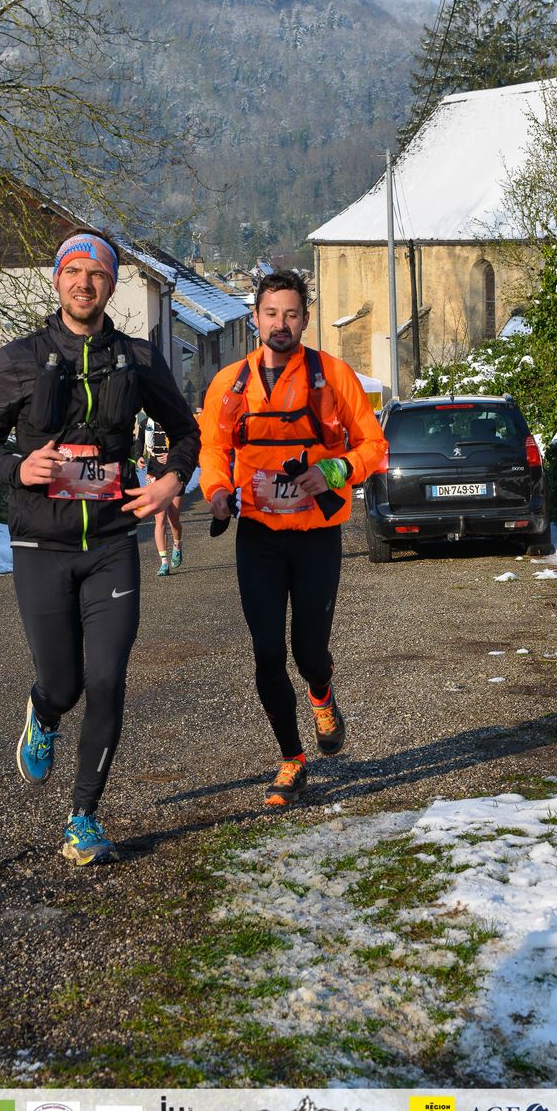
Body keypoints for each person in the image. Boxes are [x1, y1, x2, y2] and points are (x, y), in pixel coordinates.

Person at [0, 230, 199, 864]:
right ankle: (44, 712)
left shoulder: (138, 359)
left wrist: (172, 480)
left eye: (96, 274)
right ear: (58, 280)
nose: (84, 283)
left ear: (111, 285)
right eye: (73, 272)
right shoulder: (19, 358)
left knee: (107, 678)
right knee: (65, 683)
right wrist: (18, 468)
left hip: (113, 542)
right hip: (41, 543)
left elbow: (186, 433)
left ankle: (83, 818)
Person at [199, 269, 387, 807]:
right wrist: (217, 490)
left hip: (317, 536)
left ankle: (322, 694)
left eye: (291, 314)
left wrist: (333, 471)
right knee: (266, 653)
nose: (280, 323)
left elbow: (373, 446)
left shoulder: (333, 375)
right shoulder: (231, 384)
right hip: (258, 535)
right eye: (271, 313)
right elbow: (214, 449)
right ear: (255, 318)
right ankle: (291, 759)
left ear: (305, 320)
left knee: (309, 651)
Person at [139, 416, 184, 576]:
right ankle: (164, 562)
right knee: (160, 519)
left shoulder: (174, 420)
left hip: (174, 470)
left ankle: (177, 545)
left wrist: (172, 455)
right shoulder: (146, 423)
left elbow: (185, 444)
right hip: (154, 471)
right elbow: (139, 442)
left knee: (174, 520)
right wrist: (138, 457)